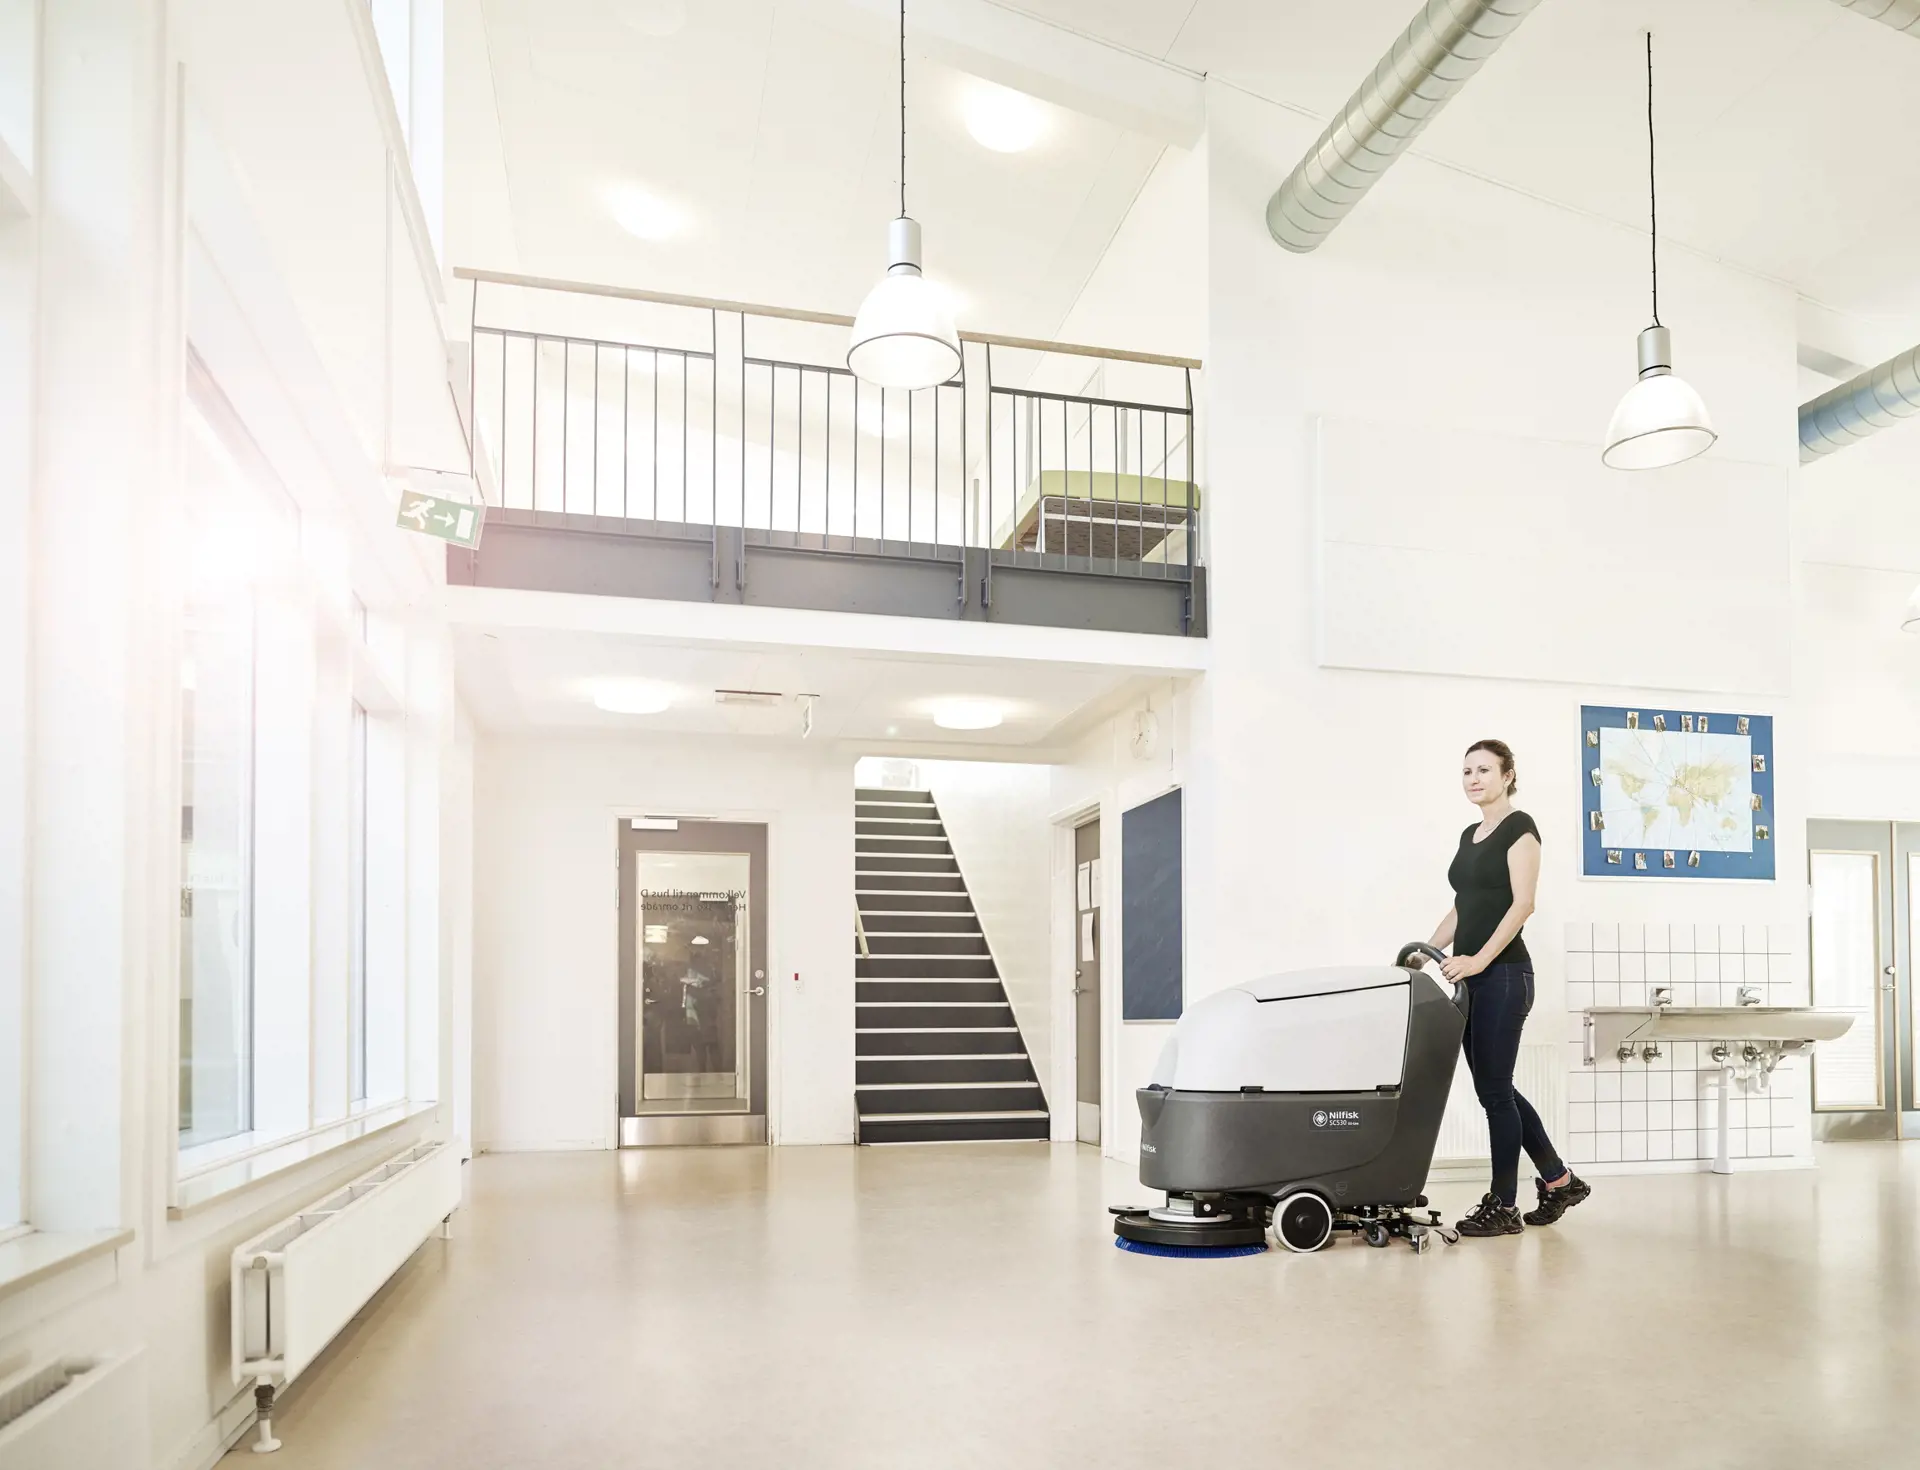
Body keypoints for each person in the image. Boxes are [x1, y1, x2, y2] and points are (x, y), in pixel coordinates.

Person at [1429, 739, 1589, 1237]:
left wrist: (1477, 959)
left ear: (1507, 775)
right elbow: (1464, 905)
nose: (1474, 779)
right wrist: (1427, 949)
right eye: (1467, 771)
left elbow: (1523, 905)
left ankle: (1503, 1205)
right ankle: (1560, 1181)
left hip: (1503, 977)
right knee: (1494, 1090)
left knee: (1495, 1093)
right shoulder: (1470, 834)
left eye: (1484, 770)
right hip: (1471, 980)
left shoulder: (1521, 830)